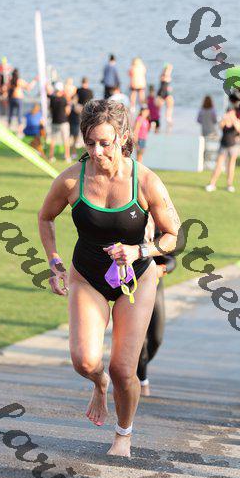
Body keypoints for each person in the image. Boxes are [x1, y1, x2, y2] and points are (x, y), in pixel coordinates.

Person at [38, 99, 180, 457]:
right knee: (85, 361)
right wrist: (54, 262)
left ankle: (123, 434)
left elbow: (173, 236)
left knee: (122, 368)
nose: (97, 151)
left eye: (105, 143)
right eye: (90, 143)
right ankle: (98, 384)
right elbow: (45, 217)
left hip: (137, 278)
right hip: (87, 276)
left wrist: (139, 251)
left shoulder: (145, 181)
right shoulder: (72, 179)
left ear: (124, 137)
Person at [137, 217, 176, 396]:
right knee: (139, 339)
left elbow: (171, 260)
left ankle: (132, 366)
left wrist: (160, 270)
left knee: (156, 338)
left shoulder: (160, 224)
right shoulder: (126, 220)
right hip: (131, 286)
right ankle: (141, 379)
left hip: (154, 283)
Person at [206, 94, 240, 193]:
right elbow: (220, 126)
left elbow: (239, 130)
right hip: (223, 144)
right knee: (218, 165)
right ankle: (212, 183)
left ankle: (229, 184)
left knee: (231, 166)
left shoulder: (237, 121)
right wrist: (225, 119)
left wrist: (233, 119)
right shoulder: (225, 121)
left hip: (233, 145)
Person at [68, 77, 94, 160]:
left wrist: (76, 106)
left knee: (75, 135)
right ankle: (86, 153)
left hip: (77, 114)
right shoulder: (90, 91)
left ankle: (73, 153)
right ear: (87, 83)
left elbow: (73, 99)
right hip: (86, 114)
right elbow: (91, 103)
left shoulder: (78, 90)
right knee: (86, 135)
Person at [7, 69, 37, 134]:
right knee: (19, 115)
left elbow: (6, 88)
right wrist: (35, 80)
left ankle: (8, 127)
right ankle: (19, 130)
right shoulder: (19, 81)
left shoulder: (10, 81)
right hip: (18, 99)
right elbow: (29, 87)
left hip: (11, 99)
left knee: (10, 114)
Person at [47, 81, 71, 162]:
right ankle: (67, 156)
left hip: (54, 121)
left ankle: (51, 157)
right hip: (63, 122)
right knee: (66, 140)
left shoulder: (52, 99)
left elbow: (50, 109)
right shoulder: (64, 99)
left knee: (53, 140)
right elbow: (67, 112)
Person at [157, 63, 174, 131]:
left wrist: (169, 87)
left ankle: (168, 119)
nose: (170, 71)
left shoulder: (163, 75)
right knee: (160, 108)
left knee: (169, 106)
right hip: (162, 93)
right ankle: (167, 119)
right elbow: (164, 82)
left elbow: (164, 84)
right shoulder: (165, 75)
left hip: (164, 93)